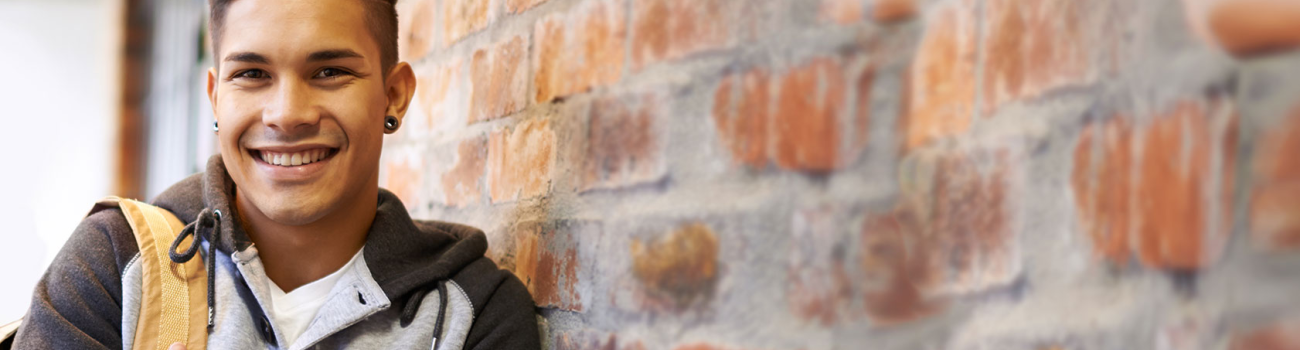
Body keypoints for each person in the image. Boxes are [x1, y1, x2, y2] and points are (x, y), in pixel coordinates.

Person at [13, 0, 540, 348]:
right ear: (217, 97)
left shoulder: (473, 315)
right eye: (253, 74)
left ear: (394, 94)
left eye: (329, 71)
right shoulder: (116, 264)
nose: (287, 114)